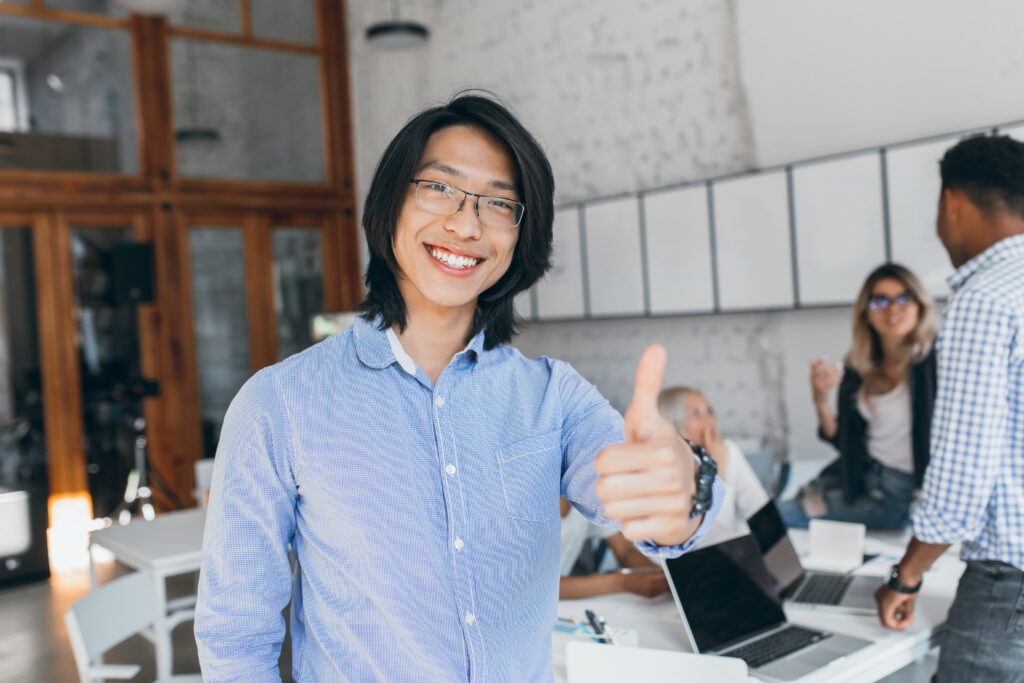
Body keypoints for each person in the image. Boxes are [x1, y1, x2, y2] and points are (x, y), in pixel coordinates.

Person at [193, 93, 723, 682]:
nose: (466, 224)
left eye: (499, 203)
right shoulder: (278, 405)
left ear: (521, 236)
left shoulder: (554, 397)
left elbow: (656, 514)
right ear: (390, 202)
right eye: (440, 188)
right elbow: (235, 637)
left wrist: (685, 488)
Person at [875, 134, 1024, 681]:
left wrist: (906, 576)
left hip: (1010, 582)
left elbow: (963, 481)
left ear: (952, 203)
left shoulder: (985, 299)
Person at [778, 263, 939, 529]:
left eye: (903, 298)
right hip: (860, 478)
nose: (892, 308)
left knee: (783, 515)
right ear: (866, 312)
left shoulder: (934, 363)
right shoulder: (857, 368)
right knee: (783, 508)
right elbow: (845, 441)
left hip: (900, 493)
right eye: (880, 301)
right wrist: (820, 400)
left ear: (919, 305)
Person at [658, 386, 769, 546]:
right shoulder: (663, 469)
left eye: (709, 411)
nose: (709, 421)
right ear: (672, 423)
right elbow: (707, 543)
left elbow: (761, 512)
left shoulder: (727, 451)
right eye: (695, 414)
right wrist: (716, 475)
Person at [558, 497, 669, 600]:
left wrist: (659, 576)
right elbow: (541, 586)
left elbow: (625, 551)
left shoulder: (584, 495)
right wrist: (623, 583)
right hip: (546, 608)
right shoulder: (541, 500)